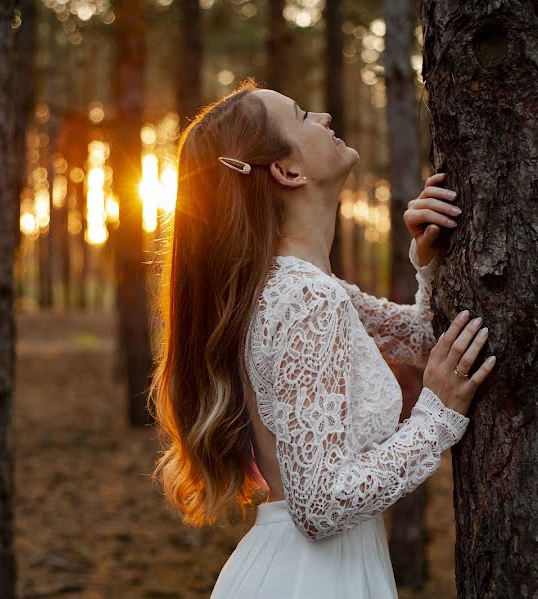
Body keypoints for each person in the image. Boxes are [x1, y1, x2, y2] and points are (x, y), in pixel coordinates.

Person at [148, 78, 496, 598]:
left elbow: (426, 342)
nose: (326, 119)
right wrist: (436, 418)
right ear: (287, 171)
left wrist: (429, 261)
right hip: (311, 579)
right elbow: (320, 504)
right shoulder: (304, 299)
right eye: (304, 116)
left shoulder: (301, 288)